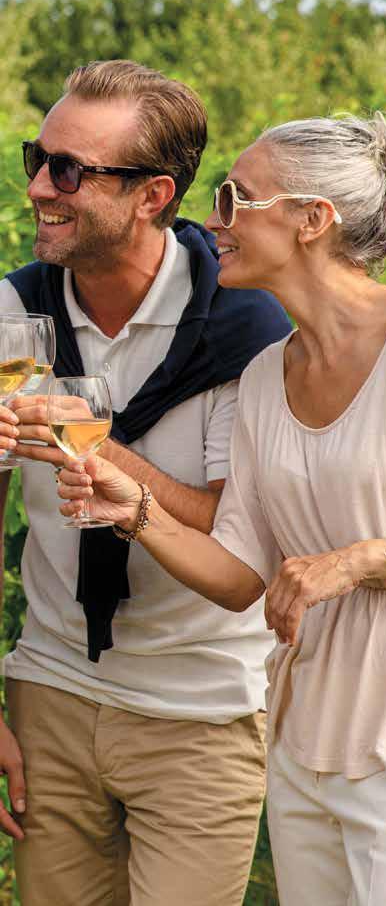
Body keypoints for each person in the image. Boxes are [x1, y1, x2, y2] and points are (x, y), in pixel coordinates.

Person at [57, 113, 386, 906]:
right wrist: (136, 508)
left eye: (233, 197)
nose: (211, 219)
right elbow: (238, 574)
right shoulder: (261, 376)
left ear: (311, 219)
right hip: (302, 742)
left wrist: (363, 558)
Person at [0, 60, 291, 906]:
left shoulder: (244, 329)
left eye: (69, 171)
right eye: (38, 158)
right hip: (51, 691)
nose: (38, 189)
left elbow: (232, 531)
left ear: (152, 194)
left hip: (199, 710)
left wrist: (90, 443)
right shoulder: (15, 315)